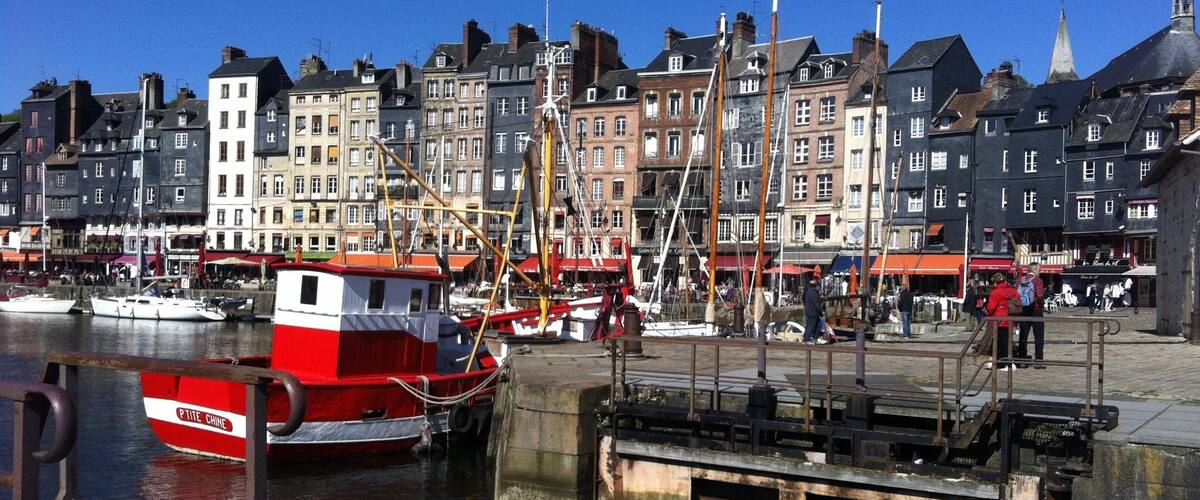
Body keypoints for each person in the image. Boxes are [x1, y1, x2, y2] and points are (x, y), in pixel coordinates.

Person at [985, 273, 1021, 372]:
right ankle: (992, 360)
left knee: (1002, 341)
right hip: (1010, 318)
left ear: (996, 282)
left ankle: (1010, 363)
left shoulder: (996, 292)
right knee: (998, 340)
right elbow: (1018, 300)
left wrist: (987, 310)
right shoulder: (1012, 290)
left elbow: (991, 307)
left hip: (999, 319)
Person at [1016, 265, 1047, 369]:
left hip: (1023, 310)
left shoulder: (1020, 280)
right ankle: (1038, 361)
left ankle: (1022, 360)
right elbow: (1040, 295)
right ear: (1034, 270)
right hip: (1036, 310)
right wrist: (1042, 304)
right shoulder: (1038, 281)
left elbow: (1016, 294)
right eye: (1039, 269)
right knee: (1038, 336)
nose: (1040, 271)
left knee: (1023, 336)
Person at [803, 273, 825, 344]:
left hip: (810, 311)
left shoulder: (810, 291)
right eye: (820, 287)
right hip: (812, 312)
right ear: (817, 287)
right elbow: (816, 304)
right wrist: (821, 312)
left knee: (817, 324)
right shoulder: (813, 292)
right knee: (810, 325)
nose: (820, 289)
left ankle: (810, 337)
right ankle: (807, 339)